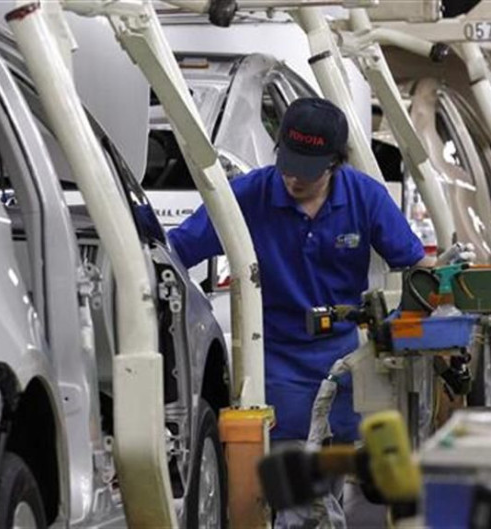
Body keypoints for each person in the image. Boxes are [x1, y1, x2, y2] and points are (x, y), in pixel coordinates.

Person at [168, 98, 431, 528]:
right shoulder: (249, 196)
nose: (293, 177)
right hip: (277, 358)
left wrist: (408, 322)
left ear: (334, 163)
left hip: (344, 359)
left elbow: (416, 266)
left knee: (338, 477)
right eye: (288, 164)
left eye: (307, 169)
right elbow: (181, 248)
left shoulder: (364, 198)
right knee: (294, 491)